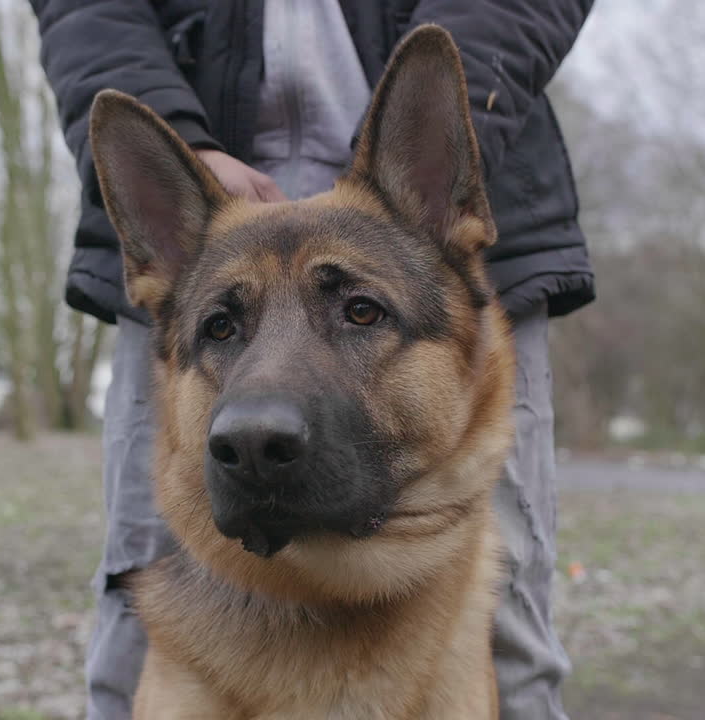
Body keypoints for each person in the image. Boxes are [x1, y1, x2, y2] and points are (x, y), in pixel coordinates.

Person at [30, 2, 596, 718]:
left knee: (514, 639)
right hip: (203, 148)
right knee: (125, 640)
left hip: (437, 192)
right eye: (222, 328)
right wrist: (179, 134)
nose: (255, 423)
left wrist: (430, 154)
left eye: (359, 313)